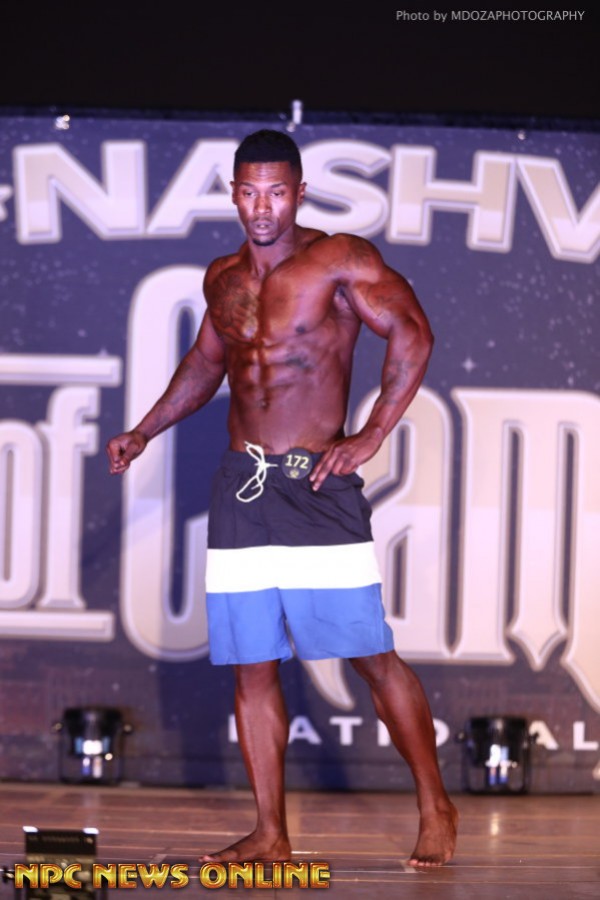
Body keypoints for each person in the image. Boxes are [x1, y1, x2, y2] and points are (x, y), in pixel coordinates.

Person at [106, 129, 458, 867]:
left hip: (315, 485)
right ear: (233, 194)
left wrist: (371, 434)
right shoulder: (222, 278)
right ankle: (271, 832)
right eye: (249, 192)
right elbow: (206, 364)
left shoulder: (340, 260)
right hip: (243, 486)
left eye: (276, 192)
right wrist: (143, 430)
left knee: (370, 655)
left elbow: (413, 333)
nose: (262, 207)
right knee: (253, 665)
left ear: (299, 193)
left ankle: (435, 802)